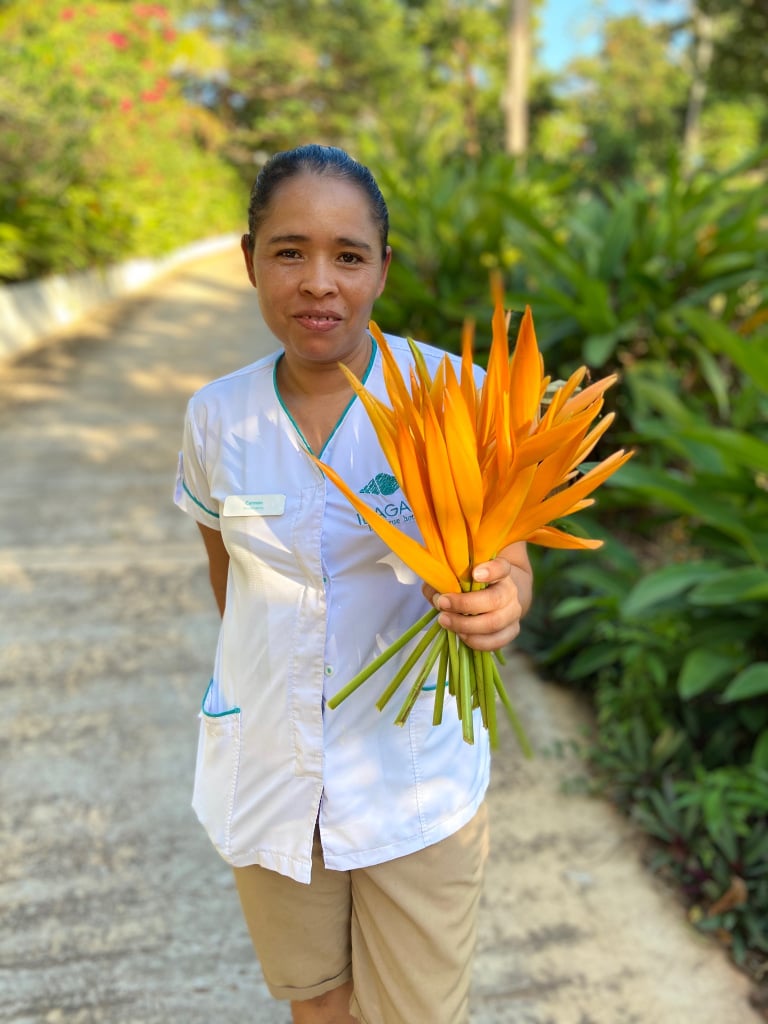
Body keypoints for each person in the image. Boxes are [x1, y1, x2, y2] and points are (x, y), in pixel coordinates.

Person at [174, 143, 533, 1024]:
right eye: (289, 251)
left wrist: (503, 601)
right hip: (269, 768)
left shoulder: (455, 392)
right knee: (318, 1004)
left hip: (416, 774)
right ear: (248, 258)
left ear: (382, 269)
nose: (317, 283)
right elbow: (230, 578)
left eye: (348, 255)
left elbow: (510, 551)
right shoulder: (217, 415)